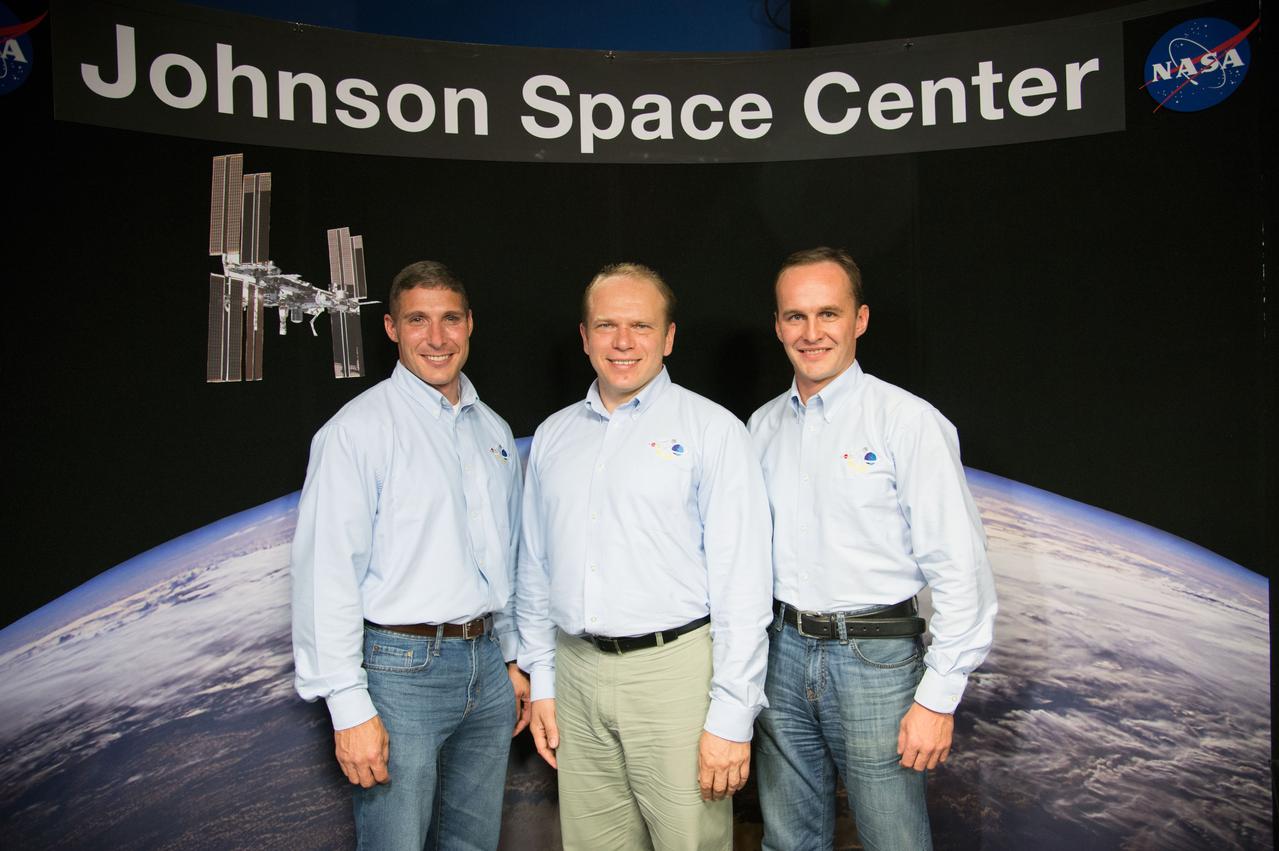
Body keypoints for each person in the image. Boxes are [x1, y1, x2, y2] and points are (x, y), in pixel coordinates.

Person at [517, 262, 773, 850]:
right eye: (606, 325)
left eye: (640, 325)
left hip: (676, 676)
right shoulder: (554, 435)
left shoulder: (712, 430)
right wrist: (546, 681)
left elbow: (744, 584)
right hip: (575, 672)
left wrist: (732, 715)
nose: (623, 342)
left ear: (669, 336)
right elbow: (534, 567)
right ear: (584, 337)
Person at [748, 247, 997, 851]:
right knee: (789, 840)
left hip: (877, 664)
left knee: (894, 841)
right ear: (779, 325)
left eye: (828, 314)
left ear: (859, 320)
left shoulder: (907, 422)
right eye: (796, 317)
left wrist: (938, 698)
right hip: (779, 655)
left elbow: (963, 575)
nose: (812, 333)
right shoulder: (760, 427)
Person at [290, 260, 531, 851]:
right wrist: (348, 705)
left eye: (450, 319)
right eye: (418, 320)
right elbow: (326, 573)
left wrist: (513, 656)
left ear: (470, 324)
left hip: (488, 665)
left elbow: (512, 555)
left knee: (473, 844)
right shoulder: (357, 431)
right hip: (400, 673)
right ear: (393, 330)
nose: (437, 337)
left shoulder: (494, 431)